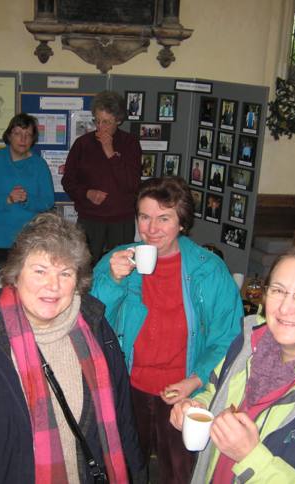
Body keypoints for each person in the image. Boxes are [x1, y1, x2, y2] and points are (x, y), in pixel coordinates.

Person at [0, 213, 146, 483]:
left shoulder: (96, 327)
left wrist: (136, 474)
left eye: (65, 273)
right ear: (15, 274)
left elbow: (123, 419)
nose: (53, 285)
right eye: (40, 271)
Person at [171, 243, 295, 483]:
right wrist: (196, 407)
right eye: (278, 290)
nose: (285, 308)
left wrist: (250, 458)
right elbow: (215, 390)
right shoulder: (247, 342)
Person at [91, 177, 243, 483]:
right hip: (128, 386)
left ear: (182, 223)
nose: (151, 229)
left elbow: (228, 338)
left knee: (180, 472)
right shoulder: (119, 260)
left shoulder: (208, 269)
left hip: (184, 391)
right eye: (144, 217)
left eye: (164, 218)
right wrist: (113, 279)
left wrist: (195, 380)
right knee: (124, 470)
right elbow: (91, 319)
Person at [62, 90, 142, 263]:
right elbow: (68, 181)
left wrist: (110, 153)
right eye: (97, 121)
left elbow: (132, 184)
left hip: (121, 220)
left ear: (118, 121)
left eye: (106, 122)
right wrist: (86, 193)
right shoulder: (83, 144)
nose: (100, 127)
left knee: (121, 267)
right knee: (84, 267)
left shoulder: (130, 143)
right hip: (90, 219)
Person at [0, 113, 54, 276]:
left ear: (33, 139)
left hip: (28, 243)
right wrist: (7, 200)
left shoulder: (39, 165)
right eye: (18, 134)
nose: (23, 139)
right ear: (9, 135)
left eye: (28, 135)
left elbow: (48, 201)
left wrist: (27, 200)